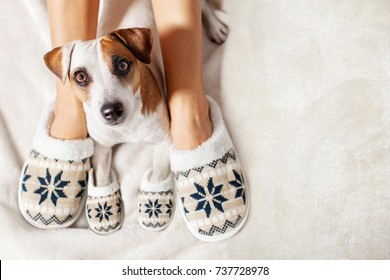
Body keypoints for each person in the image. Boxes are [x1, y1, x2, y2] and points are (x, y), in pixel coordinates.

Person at [18, 0, 248, 241]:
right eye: (82, 77)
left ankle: (186, 109)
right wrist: (102, 179)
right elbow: (101, 147)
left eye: (122, 66)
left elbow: (162, 141)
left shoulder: (133, 44)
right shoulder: (76, 61)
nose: (109, 106)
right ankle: (69, 110)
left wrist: (160, 174)